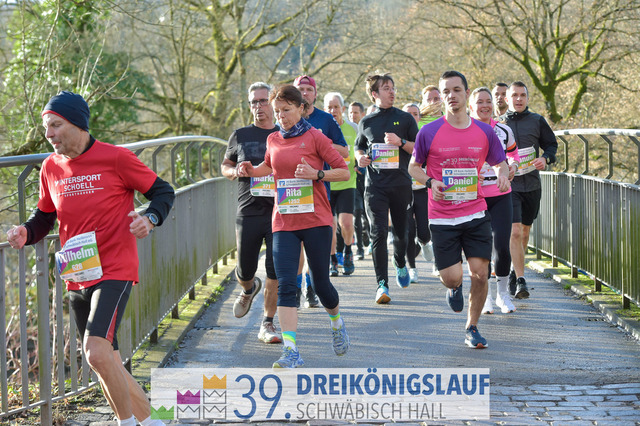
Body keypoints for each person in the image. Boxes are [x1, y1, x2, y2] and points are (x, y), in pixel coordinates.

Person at [6, 91, 174, 426]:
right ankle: (155, 421)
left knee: (95, 351)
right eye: (46, 127)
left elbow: (162, 191)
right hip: (77, 273)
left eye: (56, 125)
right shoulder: (50, 167)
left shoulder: (116, 158)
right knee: (105, 360)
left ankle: (126, 422)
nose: (49, 134)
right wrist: (26, 232)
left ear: (78, 124)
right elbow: (45, 216)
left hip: (114, 268)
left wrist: (150, 218)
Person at [237, 84, 350, 368]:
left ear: (301, 108)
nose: (281, 116)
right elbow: (269, 166)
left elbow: (343, 171)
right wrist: (251, 170)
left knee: (321, 284)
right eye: (277, 111)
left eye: (286, 110)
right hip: (284, 221)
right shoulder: (273, 138)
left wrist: (317, 174)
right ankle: (291, 351)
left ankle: (337, 323)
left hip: (316, 221)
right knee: (287, 285)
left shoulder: (316, 137)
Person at [409, 71, 510, 348]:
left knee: (481, 273)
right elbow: (413, 168)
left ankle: (472, 327)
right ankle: (454, 287)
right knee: (452, 277)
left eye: (456, 90)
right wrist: (430, 182)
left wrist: (502, 175)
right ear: (441, 97)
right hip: (442, 216)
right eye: (446, 92)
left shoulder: (485, 132)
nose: (451, 96)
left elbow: (500, 162)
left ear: (466, 93)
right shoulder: (428, 132)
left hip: (476, 212)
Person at [221, 82, 281, 344]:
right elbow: (225, 165)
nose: (259, 106)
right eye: (254, 102)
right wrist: (234, 171)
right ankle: (249, 288)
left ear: (273, 103)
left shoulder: (284, 133)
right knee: (245, 270)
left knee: (274, 271)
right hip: (248, 209)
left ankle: (267, 323)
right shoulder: (240, 135)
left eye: (263, 100)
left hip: (279, 211)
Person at [355, 72, 419, 304]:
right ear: (374, 94)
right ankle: (382, 284)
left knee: (402, 233)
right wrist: (360, 158)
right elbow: (359, 147)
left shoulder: (405, 119)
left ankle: (400, 261)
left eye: (393, 87)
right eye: (386, 88)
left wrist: (400, 142)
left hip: (401, 184)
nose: (392, 92)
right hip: (375, 186)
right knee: (378, 232)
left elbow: (419, 149)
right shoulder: (366, 122)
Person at [293, 75, 348, 307]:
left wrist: (321, 142)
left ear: (315, 94)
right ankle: (296, 288)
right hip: (292, 190)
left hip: (318, 189)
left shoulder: (325, 119)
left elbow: (344, 151)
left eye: (308, 89)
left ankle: (310, 285)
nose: (304, 93)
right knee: (296, 244)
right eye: (300, 89)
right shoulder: (286, 117)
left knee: (313, 244)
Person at [504, 81, 558, 298]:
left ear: (527, 98)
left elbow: (551, 145)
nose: (518, 99)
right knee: (515, 231)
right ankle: (521, 280)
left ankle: (513, 269)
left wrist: (545, 158)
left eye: (522, 95)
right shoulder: (499, 123)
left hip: (532, 185)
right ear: (506, 99)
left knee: (525, 232)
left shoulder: (537, 120)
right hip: (510, 186)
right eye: (514, 95)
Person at [468, 87, 519, 314]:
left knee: (501, 245)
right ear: (471, 106)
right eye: (480, 102)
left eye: (488, 101)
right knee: (481, 248)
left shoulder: (504, 130)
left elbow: (513, 154)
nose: (485, 105)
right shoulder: (465, 130)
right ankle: (485, 295)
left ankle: (503, 295)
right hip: (474, 196)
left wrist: (513, 165)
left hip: (500, 193)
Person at [324, 92, 358, 276]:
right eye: (329, 107)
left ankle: (347, 251)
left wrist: (360, 162)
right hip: (327, 183)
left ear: (343, 109)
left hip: (347, 182)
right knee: (330, 224)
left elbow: (360, 149)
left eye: (336, 107)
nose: (333, 111)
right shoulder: (322, 129)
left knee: (346, 222)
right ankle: (332, 260)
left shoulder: (353, 128)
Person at [401, 103, 432, 283]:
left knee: (424, 230)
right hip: (403, 191)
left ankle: (425, 241)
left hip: (422, 189)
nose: (411, 117)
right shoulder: (397, 138)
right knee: (408, 231)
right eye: (408, 114)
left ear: (419, 117)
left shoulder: (425, 135)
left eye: (415, 114)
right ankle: (412, 268)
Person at [348, 102, 370, 260]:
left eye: (355, 112)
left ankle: (367, 234)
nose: (352, 115)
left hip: (367, 177)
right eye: (350, 112)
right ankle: (360, 249)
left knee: (367, 212)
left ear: (362, 114)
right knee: (356, 211)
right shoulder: (345, 130)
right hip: (352, 178)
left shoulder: (366, 129)